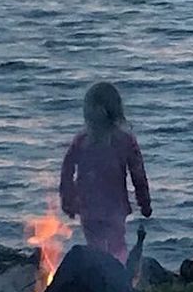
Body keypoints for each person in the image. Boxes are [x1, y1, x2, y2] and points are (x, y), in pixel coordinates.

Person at [59, 81, 152, 264]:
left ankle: (98, 280)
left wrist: (68, 201)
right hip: (114, 208)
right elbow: (138, 176)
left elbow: (66, 172)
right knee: (117, 247)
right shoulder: (125, 140)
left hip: (88, 208)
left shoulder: (82, 140)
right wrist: (145, 204)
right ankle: (118, 281)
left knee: (95, 249)